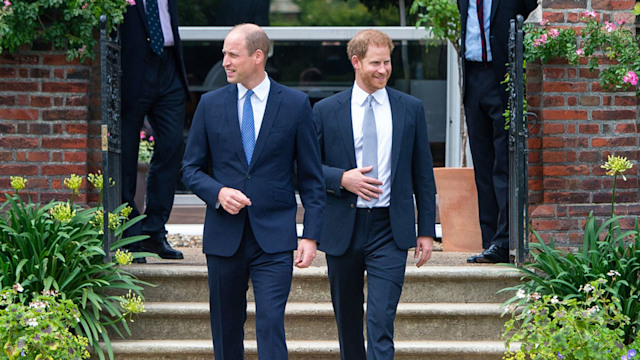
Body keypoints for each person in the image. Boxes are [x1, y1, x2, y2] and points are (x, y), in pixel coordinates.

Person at [181, 24, 325, 360]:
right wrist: (218, 193)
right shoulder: (210, 104)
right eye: (224, 54)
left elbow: (311, 178)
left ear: (257, 56)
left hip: (274, 238)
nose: (225, 62)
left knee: (271, 325)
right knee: (226, 328)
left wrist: (311, 235)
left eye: (232, 55)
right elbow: (190, 169)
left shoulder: (295, 104)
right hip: (223, 236)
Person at [313, 29, 436, 360]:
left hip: (389, 229)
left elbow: (423, 174)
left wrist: (426, 229)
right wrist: (342, 178)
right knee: (349, 325)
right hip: (343, 227)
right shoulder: (326, 110)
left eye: (387, 62)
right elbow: (305, 169)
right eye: (375, 63)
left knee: (380, 323)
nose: (383, 70)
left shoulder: (409, 108)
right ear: (356, 62)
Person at [458, 0, 538, 263]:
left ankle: (504, 242)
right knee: (483, 165)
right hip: (472, 80)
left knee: (503, 163)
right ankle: (489, 241)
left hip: (500, 77)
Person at [120, 0, 190, 262]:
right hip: (134, 70)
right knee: (127, 153)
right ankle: (129, 235)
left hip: (169, 65)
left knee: (172, 146)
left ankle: (154, 231)